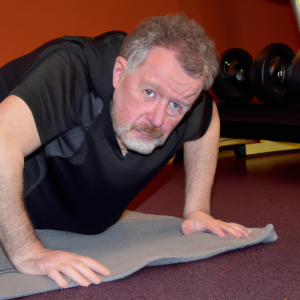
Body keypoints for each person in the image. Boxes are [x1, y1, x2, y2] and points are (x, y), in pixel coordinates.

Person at [0, 14, 252, 288]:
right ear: (119, 73)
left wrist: (197, 209)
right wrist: (27, 252)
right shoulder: (71, 72)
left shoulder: (182, 95)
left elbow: (208, 116)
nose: (157, 119)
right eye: (149, 92)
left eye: (177, 106)